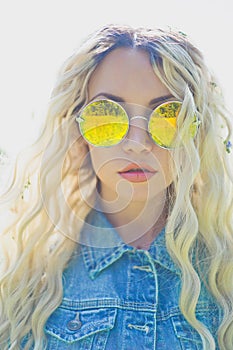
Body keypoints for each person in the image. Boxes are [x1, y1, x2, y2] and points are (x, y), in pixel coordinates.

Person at [0, 24, 232, 350]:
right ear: (77, 127)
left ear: (196, 131)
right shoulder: (23, 276)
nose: (137, 144)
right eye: (107, 116)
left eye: (168, 116)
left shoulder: (225, 272)